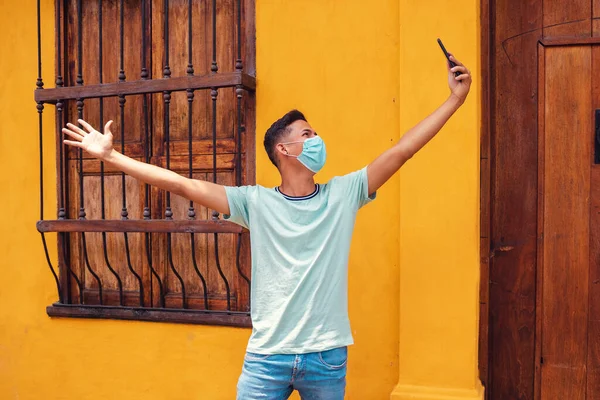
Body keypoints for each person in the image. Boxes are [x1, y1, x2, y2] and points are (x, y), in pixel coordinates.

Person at [62, 54, 471, 400]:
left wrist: (454, 99)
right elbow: (181, 183)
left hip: (325, 356)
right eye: (308, 134)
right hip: (267, 356)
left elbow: (402, 151)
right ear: (284, 149)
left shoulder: (344, 194)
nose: (317, 139)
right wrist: (113, 159)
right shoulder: (253, 202)